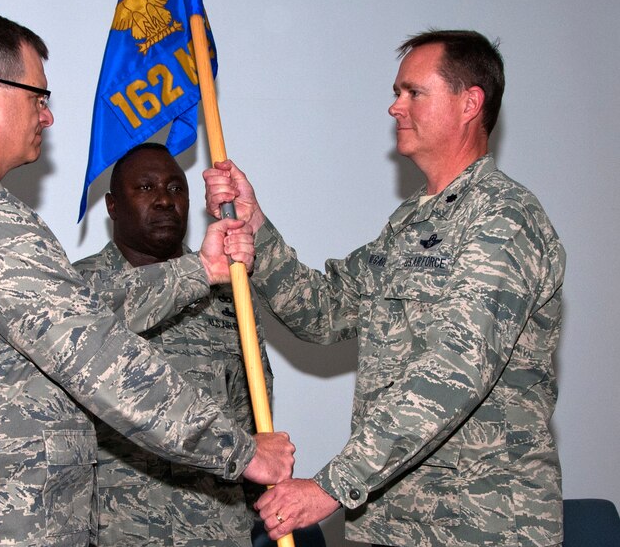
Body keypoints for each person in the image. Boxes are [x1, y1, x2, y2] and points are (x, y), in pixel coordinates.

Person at [0, 10, 294, 547]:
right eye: (38, 97)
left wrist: (197, 272)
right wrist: (241, 449)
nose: (47, 117)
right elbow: (98, 356)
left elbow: (74, 310)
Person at [205, 30, 565, 547]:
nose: (395, 107)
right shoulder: (410, 225)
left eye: (413, 92)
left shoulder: (504, 219)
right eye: (398, 92)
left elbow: (454, 372)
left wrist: (331, 486)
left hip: (481, 525)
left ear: (470, 103)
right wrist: (256, 225)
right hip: (389, 522)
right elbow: (325, 312)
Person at [72, 143, 273, 546]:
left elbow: (251, 409)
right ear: (112, 206)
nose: (165, 200)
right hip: (114, 529)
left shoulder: (229, 291)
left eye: (175, 188)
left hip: (215, 528)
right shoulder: (76, 291)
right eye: (145, 188)